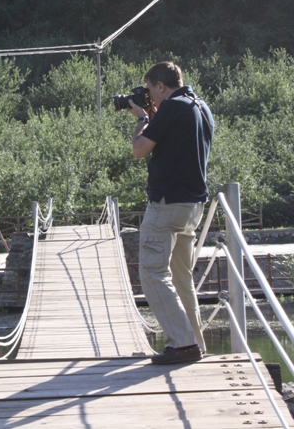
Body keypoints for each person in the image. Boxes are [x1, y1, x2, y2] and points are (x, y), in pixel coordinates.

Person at [127, 61, 214, 365]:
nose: (148, 95)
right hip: (193, 206)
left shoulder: (172, 108)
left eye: (150, 89)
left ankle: (182, 343)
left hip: (167, 206)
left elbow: (139, 149)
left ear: (160, 86)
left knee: (152, 273)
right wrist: (153, 115)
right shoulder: (199, 106)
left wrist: (141, 118)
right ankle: (195, 343)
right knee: (180, 278)